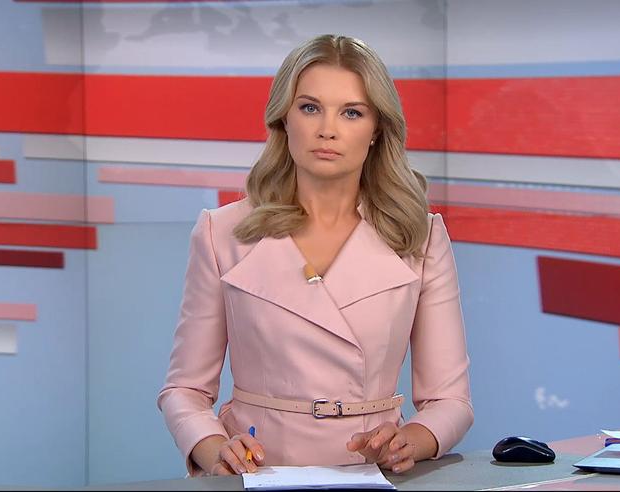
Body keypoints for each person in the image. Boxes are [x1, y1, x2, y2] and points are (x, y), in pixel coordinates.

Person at [158, 34, 473, 477]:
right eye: (310, 108)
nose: (328, 129)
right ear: (284, 118)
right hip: (258, 475)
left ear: (376, 129)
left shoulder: (420, 237)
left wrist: (413, 442)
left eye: (351, 112)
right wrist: (215, 450)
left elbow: (450, 401)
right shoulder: (221, 232)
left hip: (372, 476)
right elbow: (184, 390)